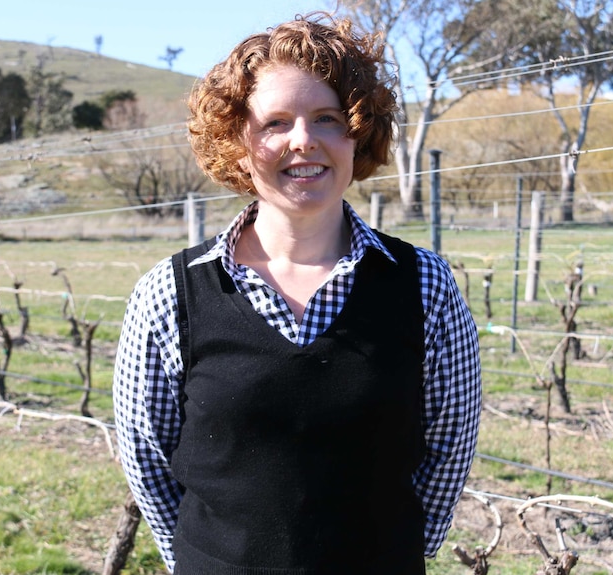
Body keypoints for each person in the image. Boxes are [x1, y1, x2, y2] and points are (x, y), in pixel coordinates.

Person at [113, 12, 481, 575]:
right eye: (275, 122)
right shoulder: (170, 295)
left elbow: (448, 447)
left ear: (357, 135)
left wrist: (401, 550)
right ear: (239, 143)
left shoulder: (424, 285)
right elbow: (147, 459)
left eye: (327, 118)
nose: (303, 140)